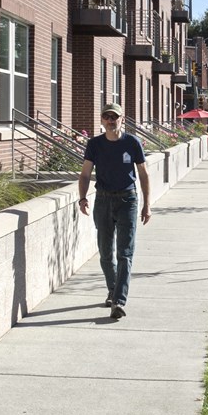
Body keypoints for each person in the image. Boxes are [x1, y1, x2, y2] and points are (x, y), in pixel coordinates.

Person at [77, 102, 151, 320]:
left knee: (125, 252)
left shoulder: (132, 143)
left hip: (128, 200)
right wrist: (82, 197)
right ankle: (112, 288)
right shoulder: (95, 144)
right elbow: (84, 174)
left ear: (122, 119)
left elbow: (144, 175)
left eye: (114, 117)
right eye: (106, 117)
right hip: (103, 200)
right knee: (106, 253)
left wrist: (147, 204)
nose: (110, 121)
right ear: (102, 120)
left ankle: (118, 300)